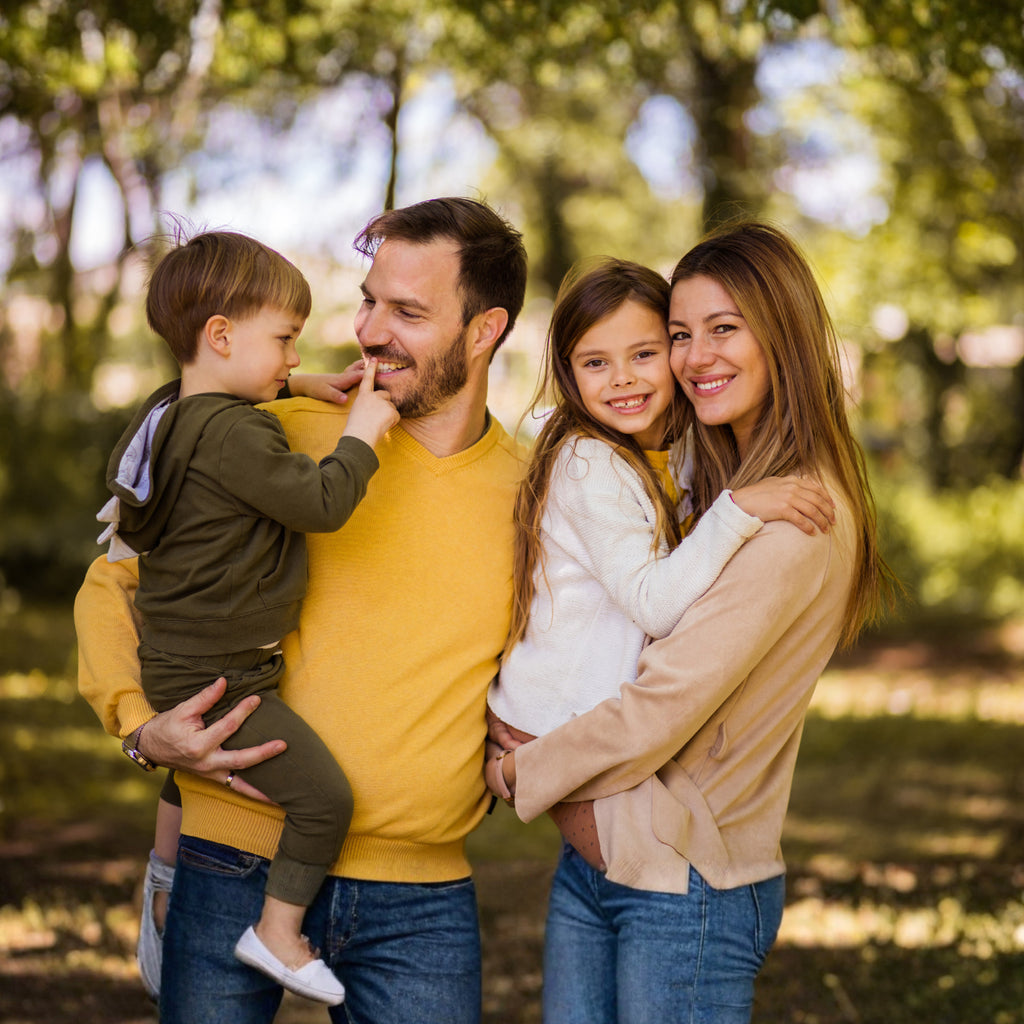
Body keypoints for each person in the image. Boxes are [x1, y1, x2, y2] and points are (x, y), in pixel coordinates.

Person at [75, 197, 528, 1024]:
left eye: (408, 312)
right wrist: (140, 727)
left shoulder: (535, 489)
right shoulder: (263, 433)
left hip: (419, 897)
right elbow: (112, 587)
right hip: (231, 859)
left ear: (484, 330)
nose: (368, 330)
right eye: (369, 300)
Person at [489, 222, 893, 1023]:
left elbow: (661, 706)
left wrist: (518, 774)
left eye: (724, 329)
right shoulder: (718, 492)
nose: (695, 357)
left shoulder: (793, 517)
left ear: (783, 336)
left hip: (685, 886)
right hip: (613, 863)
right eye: (680, 334)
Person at [95, 229, 399, 1005]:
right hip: (220, 675)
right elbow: (320, 503)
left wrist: (306, 389)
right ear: (222, 336)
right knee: (323, 799)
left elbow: (229, 411)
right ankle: (279, 930)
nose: (295, 358)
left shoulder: (171, 417)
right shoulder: (239, 432)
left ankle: (164, 883)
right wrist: (362, 434)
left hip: (176, 659)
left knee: (196, 779)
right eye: (286, 341)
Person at [485, 257, 836, 861]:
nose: (622, 379)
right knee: (663, 880)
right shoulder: (590, 464)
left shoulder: (672, 453)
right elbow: (655, 604)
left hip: (587, 722)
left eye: (645, 354)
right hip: (557, 723)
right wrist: (738, 509)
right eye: (596, 363)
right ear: (569, 375)